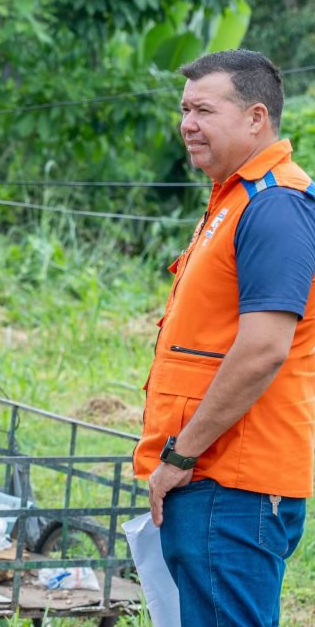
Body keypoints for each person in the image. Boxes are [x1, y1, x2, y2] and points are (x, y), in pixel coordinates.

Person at [134, 49, 314, 625]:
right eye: (185, 110)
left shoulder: (274, 207)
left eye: (204, 110)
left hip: (228, 480)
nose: (187, 124)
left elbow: (263, 349)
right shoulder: (233, 201)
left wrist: (182, 452)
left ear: (256, 118)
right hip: (215, 479)